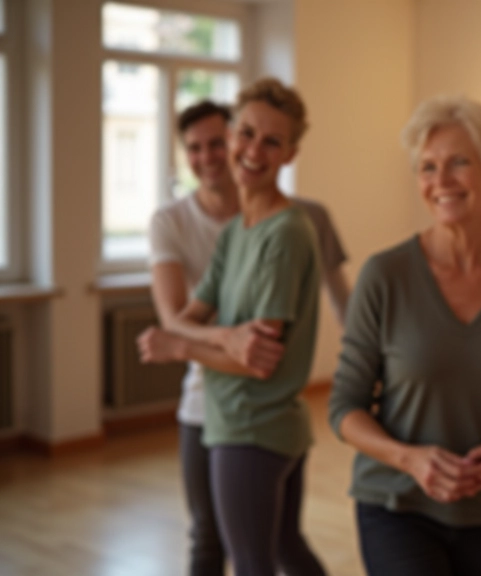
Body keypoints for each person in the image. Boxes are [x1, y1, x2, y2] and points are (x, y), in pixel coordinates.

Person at [328, 95, 481, 576]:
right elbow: (344, 407)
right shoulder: (385, 276)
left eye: (459, 163)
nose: (442, 181)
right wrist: (409, 459)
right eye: (428, 168)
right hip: (396, 503)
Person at [141, 99, 349, 576]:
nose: (252, 150)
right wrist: (225, 336)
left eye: (271, 141)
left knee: (255, 561)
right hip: (226, 411)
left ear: (290, 153)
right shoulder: (236, 231)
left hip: (252, 421)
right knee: (273, 547)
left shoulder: (289, 230)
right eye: (247, 135)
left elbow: (258, 358)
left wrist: (183, 346)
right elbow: (178, 318)